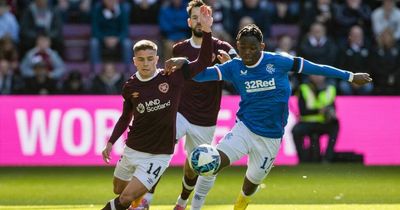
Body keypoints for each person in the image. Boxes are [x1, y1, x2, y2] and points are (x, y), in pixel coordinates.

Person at [165, 24, 372, 210]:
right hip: (244, 129)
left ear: (262, 46)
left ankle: (239, 205)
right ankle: (190, 205)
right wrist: (185, 63)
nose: (247, 53)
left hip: (271, 138)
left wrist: (351, 76)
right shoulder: (234, 67)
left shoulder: (278, 61)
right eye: (243, 48)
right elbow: (200, 76)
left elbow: (315, 68)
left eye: (252, 48)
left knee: (251, 183)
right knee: (212, 163)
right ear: (237, 46)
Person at [100, 5, 213, 210]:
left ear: (157, 59)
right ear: (134, 61)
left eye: (150, 59)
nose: (146, 63)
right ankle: (139, 202)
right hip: (132, 148)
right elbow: (126, 116)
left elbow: (204, 61)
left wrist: (206, 30)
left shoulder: (172, 76)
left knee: (124, 200)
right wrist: (111, 142)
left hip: (158, 155)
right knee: (118, 190)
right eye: (141, 60)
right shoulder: (130, 86)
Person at [137, 1, 237, 209]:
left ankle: (183, 202)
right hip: (180, 111)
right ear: (189, 21)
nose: (199, 21)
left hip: (206, 119)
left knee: (195, 166)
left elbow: (240, 70)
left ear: (210, 19)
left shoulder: (222, 47)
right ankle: (145, 200)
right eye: (195, 17)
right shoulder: (179, 48)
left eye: (203, 16)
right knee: (160, 148)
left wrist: (231, 64)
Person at [292, 75, 339, 163]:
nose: (318, 77)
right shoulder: (304, 88)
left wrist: (332, 114)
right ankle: (303, 159)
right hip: (307, 122)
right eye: (315, 74)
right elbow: (302, 111)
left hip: (323, 122)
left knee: (336, 125)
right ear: (310, 76)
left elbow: (333, 107)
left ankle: (328, 158)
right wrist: (319, 110)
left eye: (320, 74)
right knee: (296, 130)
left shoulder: (330, 88)